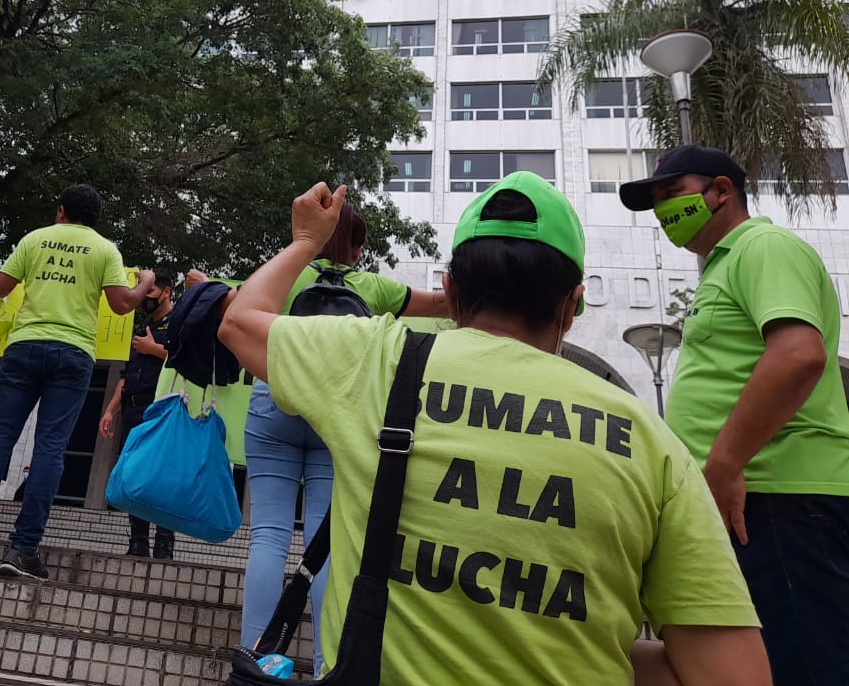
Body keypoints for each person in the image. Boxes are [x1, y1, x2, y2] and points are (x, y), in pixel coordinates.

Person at [218, 176, 769, 684]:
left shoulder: (376, 359)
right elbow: (733, 676)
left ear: (451, 292)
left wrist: (306, 242)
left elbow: (239, 322)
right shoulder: (652, 442)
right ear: (572, 305)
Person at [620, 145, 849, 685]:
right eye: (656, 204)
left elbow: (799, 353)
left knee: (803, 663)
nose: (664, 213)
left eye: (672, 195)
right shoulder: (722, 267)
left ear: (721, 191)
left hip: (778, 494)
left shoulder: (762, 246)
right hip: (747, 500)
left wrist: (722, 465)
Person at [237, 202, 448, 675]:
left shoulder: (288, 273)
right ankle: (326, 663)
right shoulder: (372, 285)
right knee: (324, 541)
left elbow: (241, 311)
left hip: (275, 399)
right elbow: (439, 305)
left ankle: (254, 662)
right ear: (357, 249)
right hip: (338, 408)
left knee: (268, 536)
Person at [0, 184, 154, 578]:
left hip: (24, 347)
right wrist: (145, 281)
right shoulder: (105, 249)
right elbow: (122, 304)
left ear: (60, 211)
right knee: (50, 449)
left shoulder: (35, 239)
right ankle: (22, 551)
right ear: (94, 218)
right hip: (73, 352)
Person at [99, 270, 177, 559]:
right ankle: (138, 540)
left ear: (166, 292)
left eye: (150, 293)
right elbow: (125, 375)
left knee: (163, 477)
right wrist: (109, 410)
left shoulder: (179, 324)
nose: (144, 298)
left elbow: (186, 359)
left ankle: (165, 543)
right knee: (134, 475)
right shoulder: (140, 328)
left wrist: (154, 349)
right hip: (133, 410)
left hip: (162, 410)